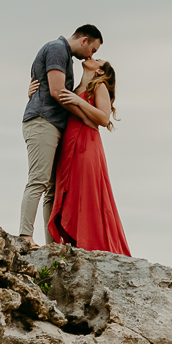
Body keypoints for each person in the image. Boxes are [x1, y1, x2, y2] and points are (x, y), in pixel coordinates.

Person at [18, 25, 104, 246]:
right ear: (84, 40)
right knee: (38, 180)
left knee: (52, 190)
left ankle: (52, 244)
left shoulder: (64, 55)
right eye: (92, 50)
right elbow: (57, 92)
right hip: (43, 121)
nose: (91, 56)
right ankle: (25, 236)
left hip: (53, 125)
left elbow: (52, 88)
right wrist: (85, 117)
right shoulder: (58, 49)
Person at [47, 58, 131, 255]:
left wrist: (78, 101)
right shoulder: (75, 88)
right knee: (71, 192)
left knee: (87, 193)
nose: (91, 57)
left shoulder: (99, 86)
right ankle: (75, 244)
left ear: (101, 71)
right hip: (69, 144)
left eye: (97, 59)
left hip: (87, 142)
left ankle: (91, 243)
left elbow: (103, 118)